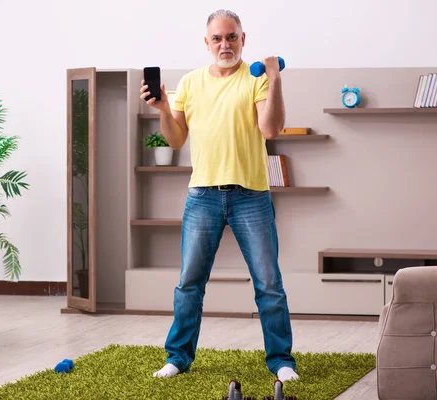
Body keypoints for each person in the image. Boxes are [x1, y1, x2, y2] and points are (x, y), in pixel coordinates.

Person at [139, 9, 299, 382]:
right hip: (203, 196)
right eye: (217, 38)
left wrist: (274, 78)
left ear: (244, 39)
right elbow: (176, 139)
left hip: (251, 196)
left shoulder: (255, 79)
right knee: (189, 284)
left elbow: (271, 129)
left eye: (231, 37)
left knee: (269, 285)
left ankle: (281, 361)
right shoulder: (191, 83)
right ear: (207, 43)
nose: (224, 44)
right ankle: (177, 357)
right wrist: (164, 108)